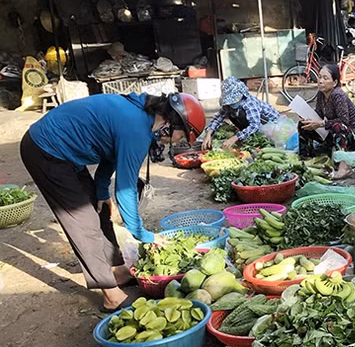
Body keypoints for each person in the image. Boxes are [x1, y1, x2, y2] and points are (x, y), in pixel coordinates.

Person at [19, 92, 205, 311]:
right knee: (84, 223)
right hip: (45, 150)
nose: (176, 143)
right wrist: (142, 234)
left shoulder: (141, 117)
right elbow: (125, 190)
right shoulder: (137, 130)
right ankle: (110, 295)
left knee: (100, 212)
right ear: (172, 123)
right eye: (181, 137)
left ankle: (118, 270)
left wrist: (100, 192)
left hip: (65, 153)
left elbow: (110, 154)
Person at [298, 64, 355, 172]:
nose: (320, 81)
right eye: (319, 77)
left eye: (325, 78)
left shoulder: (338, 95)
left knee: (338, 126)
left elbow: (343, 121)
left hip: (351, 135)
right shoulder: (320, 94)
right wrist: (306, 117)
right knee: (303, 125)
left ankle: (341, 164)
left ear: (335, 82)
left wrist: (321, 124)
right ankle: (306, 157)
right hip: (331, 131)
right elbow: (318, 114)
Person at [200, 76, 279, 150]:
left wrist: (235, 138)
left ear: (242, 96)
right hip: (253, 129)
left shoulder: (250, 103)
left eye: (234, 100)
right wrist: (208, 134)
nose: (232, 104)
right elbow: (217, 119)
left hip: (271, 127)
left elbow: (255, 125)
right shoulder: (228, 106)